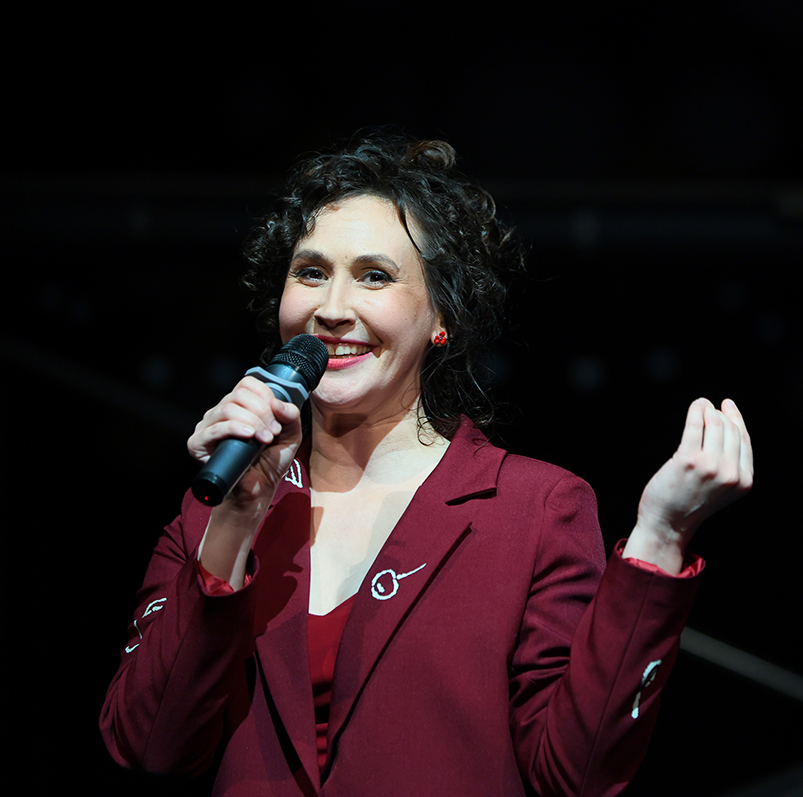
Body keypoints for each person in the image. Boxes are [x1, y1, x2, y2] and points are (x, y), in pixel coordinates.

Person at [100, 136, 753, 797]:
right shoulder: (216, 509)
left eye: (374, 276)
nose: (332, 308)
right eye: (311, 272)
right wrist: (236, 519)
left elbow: (576, 773)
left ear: (441, 315)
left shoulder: (532, 510)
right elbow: (149, 745)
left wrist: (660, 537)